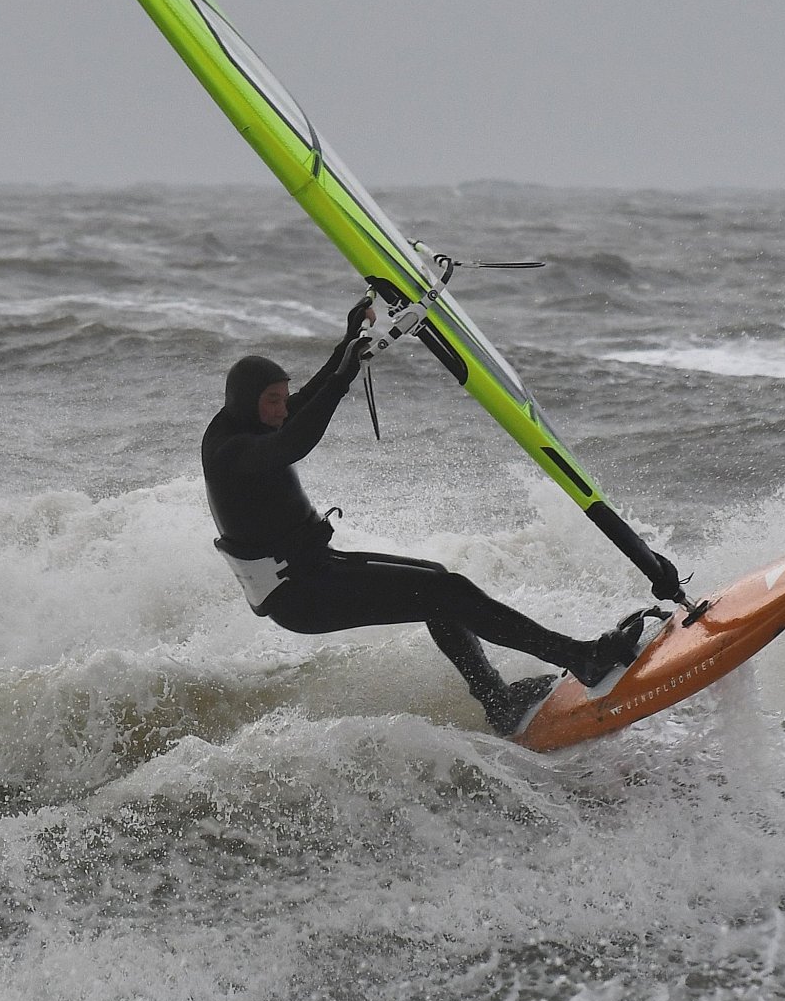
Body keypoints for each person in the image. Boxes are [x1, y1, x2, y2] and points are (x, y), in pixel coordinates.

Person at [203, 298, 650, 735]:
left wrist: (347, 347)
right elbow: (292, 444)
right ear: (246, 402)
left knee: (439, 581)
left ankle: (498, 700)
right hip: (298, 596)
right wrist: (341, 379)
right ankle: (578, 657)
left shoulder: (254, 421)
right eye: (273, 402)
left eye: (282, 399)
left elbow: (301, 407)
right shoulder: (230, 451)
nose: (283, 410)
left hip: (314, 570)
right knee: (443, 591)